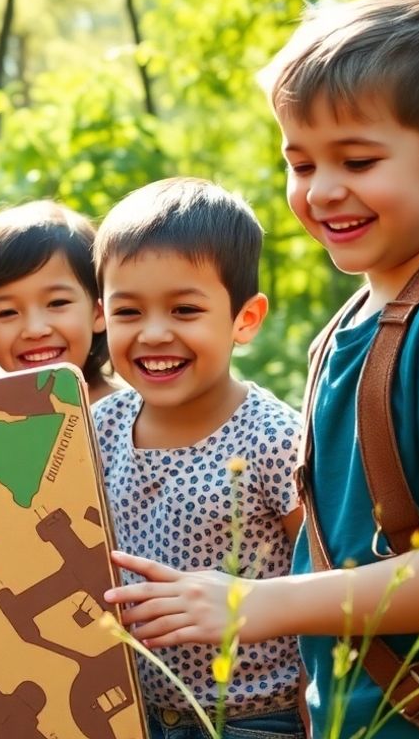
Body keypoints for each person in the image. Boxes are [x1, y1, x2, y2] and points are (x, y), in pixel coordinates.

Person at [105, 0, 419, 738]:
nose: (322, 191)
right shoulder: (360, 320)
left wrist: (255, 604)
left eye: (357, 159)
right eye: (301, 162)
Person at [91, 178, 304, 739]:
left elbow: (323, 576)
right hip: (131, 715)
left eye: (185, 309)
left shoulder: (274, 438)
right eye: (128, 311)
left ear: (245, 319)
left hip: (256, 721)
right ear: (101, 316)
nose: (154, 333)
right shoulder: (95, 428)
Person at [0, 200, 115, 402]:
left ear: (99, 311)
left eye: (57, 303)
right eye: (7, 312)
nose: (35, 330)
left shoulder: (136, 417)